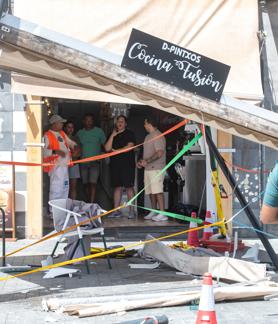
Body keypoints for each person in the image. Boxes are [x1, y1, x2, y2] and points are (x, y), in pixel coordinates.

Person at [105, 115, 136, 218]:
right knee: (117, 187)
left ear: (125, 124)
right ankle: (116, 210)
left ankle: (132, 210)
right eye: (118, 121)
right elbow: (107, 148)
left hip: (127, 165)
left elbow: (130, 146)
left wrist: (116, 151)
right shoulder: (112, 134)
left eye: (122, 121)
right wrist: (112, 136)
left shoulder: (129, 133)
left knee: (128, 187)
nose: (119, 123)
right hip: (115, 165)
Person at [137, 116, 168, 222]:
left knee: (158, 190)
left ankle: (162, 213)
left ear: (150, 123)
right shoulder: (148, 136)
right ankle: (154, 211)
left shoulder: (158, 135)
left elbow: (159, 152)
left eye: (145, 123)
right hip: (148, 168)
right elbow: (147, 153)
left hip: (157, 168)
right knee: (150, 191)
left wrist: (148, 161)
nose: (144, 125)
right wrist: (141, 162)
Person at [43, 114, 76, 211]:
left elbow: (70, 143)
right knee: (56, 189)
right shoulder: (47, 135)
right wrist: (56, 151)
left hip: (64, 166)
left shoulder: (61, 133)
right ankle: (54, 212)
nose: (62, 124)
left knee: (65, 188)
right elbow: (44, 151)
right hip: (55, 166)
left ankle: (62, 210)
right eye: (61, 122)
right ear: (54, 124)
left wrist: (75, 147)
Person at [77, 114, 106, 203]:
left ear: (93, 121)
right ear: (84, 121)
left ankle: (91, 203)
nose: (89, 122)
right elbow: (76, 147)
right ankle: (89, 200)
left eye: (91, 120)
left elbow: (105, 145)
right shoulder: (79, 133)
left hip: (95, 162)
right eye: (87, 120)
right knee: (85, 184)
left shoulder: (99, 132)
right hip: (83, 162)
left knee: (93, 183)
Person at [64, 121, 81, 200]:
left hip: (74, 164)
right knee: (64, 187)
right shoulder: (61, 138)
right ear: (65, 128)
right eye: (68, 127)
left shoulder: (76, 138)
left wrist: (72, 154)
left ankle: (72, 204)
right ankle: (64, 205)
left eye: (72, 127)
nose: (70, 129)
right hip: (63, 166)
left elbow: (78, 153)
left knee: (73, 187)